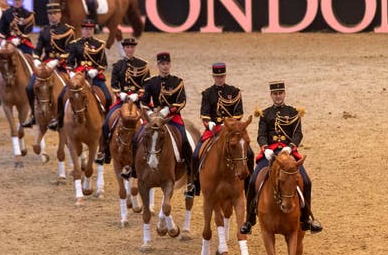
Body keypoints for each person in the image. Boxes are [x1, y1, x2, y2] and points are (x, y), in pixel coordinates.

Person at [240, 81, 322, 235]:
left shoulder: (293, 113)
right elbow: (261, 135)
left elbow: (298, 134)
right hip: (270, 154)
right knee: (252, 181)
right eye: (275, 94)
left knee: (306, 181)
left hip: (289, 154)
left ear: (284, 94)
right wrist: (265, 149)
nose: (278, 96)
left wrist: (290, 147)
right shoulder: (265, 114)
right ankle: (249, 220)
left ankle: (307, 219)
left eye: (280, 93)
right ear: (271, 95)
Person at [190, 62, 252, 198]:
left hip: (231, 130)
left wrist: (230, 124)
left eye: (222, 76)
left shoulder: (234, 92)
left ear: (225, 75)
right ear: (213, 77)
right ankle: (194, 184)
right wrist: (210, 123)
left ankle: (249, 184)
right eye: (218, 77)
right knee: (195, 154)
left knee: (250, 153)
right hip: (213, 129)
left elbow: (239, 113)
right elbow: (204, 113)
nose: (220, 79)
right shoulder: (207, 93)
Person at [137, 52, 193, 186]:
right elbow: (143, 101)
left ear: (170, 65)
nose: (165, 67)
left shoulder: (177, 82)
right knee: (137, 137)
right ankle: (133, 168)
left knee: (184, 140)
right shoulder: (150, 82)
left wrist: (168, 110)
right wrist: (150, 113)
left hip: (172, 118)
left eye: (167, 64)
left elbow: (182, 101)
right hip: (154, 117)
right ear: (158, 65)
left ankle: (191, 173)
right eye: (162, 64)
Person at [51, 18, 111, 133]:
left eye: (90, 29)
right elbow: (69, 63)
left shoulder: (99, 45)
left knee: (107, 97)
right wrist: (72, 72)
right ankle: (59, 121)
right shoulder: (74, 44)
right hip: (78, 76)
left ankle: (107, 122)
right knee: (61, 96)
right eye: (85, 29)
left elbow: (103, 64)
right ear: (82, 30)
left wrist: (96, 71)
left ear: (93, 30)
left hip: (94, 77)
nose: (87, 31)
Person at [24, 2, 74, 127]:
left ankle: (68, 114)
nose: (53, 16)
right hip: (46, 65)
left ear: (60, 14)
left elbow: (70, 51)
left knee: (71, 89)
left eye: (55, 13)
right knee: (30, 87)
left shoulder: (68, 30)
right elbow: (38, 49)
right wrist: (36, 58)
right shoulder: (44, 31)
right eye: (50, 14)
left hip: (62, 65)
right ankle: (33, 115)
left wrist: (57, 61)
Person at [102, 37, 150, 167]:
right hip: (122, 101)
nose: (129, 49)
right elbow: (114, 84)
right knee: (106, 122)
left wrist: (138, 95)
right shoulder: (118, 66)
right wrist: (120, 93)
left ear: (134, 48)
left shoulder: (143, 65)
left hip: (138, 101)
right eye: (127, 47)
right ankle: (105, 152)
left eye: (132, 47)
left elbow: (146, 85)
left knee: (151, 123)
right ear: (123, 49)